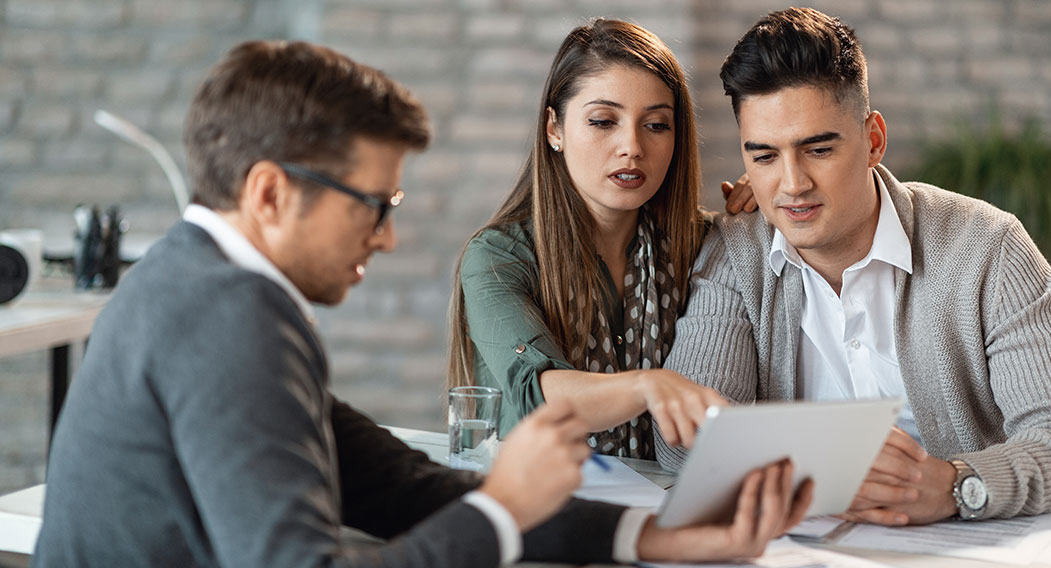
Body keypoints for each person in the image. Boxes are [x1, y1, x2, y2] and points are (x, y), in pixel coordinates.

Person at [33, 40, 814, 567]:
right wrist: (502, 507)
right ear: (270, 193)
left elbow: (402, 486)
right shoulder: (226, 317)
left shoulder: (192, 286)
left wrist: (655, 535)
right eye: (374, 204)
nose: (388, 238)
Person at [655, 7, 1051, 525]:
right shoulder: (736, 255)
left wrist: (956, 485)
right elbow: (685, 445)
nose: (792, 184)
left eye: (818, 149)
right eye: (764, 157)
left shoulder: (988, 248)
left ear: (873, 139)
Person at [449, 19, 748, 460]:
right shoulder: (497, 257)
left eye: (657, 125)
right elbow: (543, 396)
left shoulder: (703, 243)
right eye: (604, 120)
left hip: (661, 509)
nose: (632, 146)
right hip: (538, 507)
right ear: (554, 129)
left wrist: (771, 199)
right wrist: (649, 385)